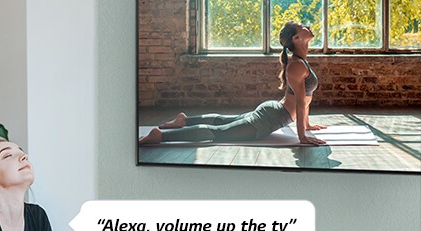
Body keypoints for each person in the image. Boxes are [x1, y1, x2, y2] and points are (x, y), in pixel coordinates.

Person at [139, 21, 327, 146]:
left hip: (275, 111)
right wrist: (302, 136)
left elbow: (304, 99)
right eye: (302, 26)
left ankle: (184, 120)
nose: (307, 25)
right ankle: (161, 136)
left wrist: (307, 125)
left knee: (224, 120)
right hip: (271, 118)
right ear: (296, 39)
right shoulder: (296, 66)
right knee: (218, 132)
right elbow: (301, 102)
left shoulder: (300, 62)